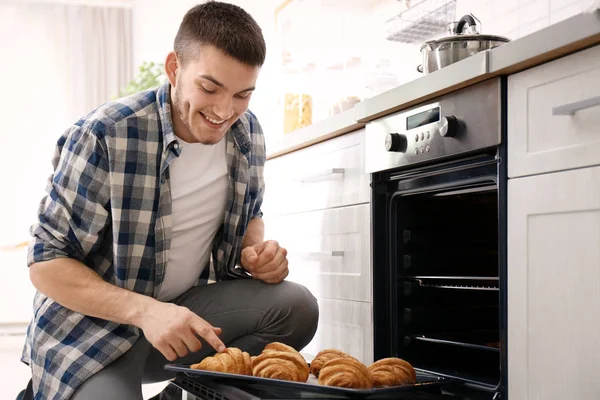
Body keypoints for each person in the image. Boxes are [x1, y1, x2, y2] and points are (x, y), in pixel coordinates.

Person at [19, 2, 319, 399]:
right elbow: (45, 263)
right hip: (92, 331)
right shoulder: (105, 134)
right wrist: (145, 311)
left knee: (296, 306)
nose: (224, 111)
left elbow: (252, 213)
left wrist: (253, 251)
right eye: (209, 88)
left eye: (242, 94)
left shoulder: (248, 134)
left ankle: (186, 389)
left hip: (184, 317)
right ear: (175, 68)